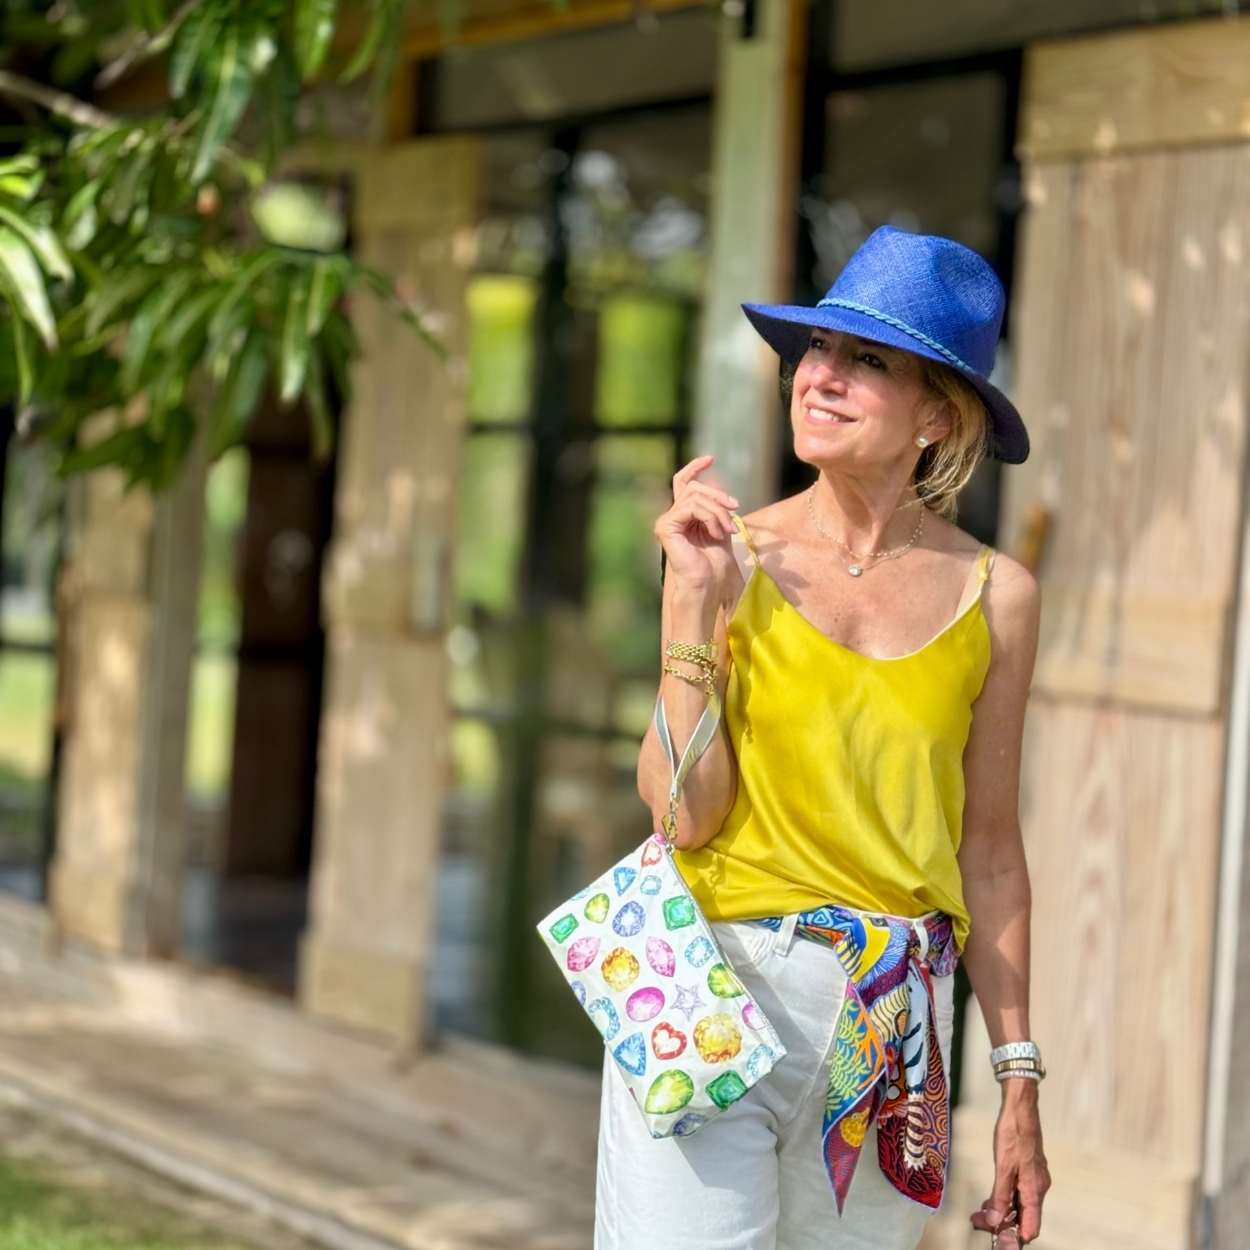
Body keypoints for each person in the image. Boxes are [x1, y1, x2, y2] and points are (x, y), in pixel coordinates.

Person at [593, 226, 1051, 1250]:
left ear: (937, 414)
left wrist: (1016, 1077)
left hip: (896, 1021)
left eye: (867, 359)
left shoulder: (999, 597)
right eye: (816, 348)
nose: (821, 376)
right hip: (714, 977)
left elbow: (988, 851)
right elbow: (682, 815)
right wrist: (689, 608)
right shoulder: (729, 554)